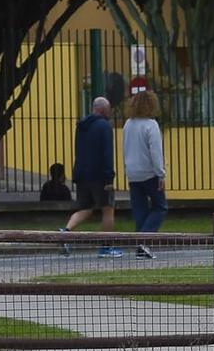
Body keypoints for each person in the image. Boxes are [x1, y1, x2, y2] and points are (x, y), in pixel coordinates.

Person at [61, 97, 119, 257]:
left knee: (85, 208)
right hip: (99, 175)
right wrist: (109, 179)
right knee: (108, 210)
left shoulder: (81, 126)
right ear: (102, 109)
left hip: (82, 173)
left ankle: (65, 232)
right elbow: (107, 153)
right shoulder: (104, 126)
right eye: (108, 109)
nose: (110, 112)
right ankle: (106, 247)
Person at [122, 89, 166, 260]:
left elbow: (125, 147)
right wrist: (161, 174)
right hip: (149, 173)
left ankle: (141, 245)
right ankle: (144, 240)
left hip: (132, 173)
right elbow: (156, 152)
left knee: (140, 209)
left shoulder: (128, 123)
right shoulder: (151, 125)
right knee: (160, 207)